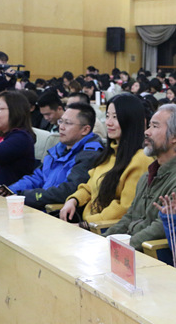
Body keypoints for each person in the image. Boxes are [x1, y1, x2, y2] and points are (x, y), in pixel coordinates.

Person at [94, 104, 176, 250]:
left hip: (153, 255)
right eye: (149, 126)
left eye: (155, 126)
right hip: (130, 249)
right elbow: (129, 217)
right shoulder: (148, 175)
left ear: (174, 137)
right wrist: (103, 242)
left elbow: (160, 230)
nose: (147, 132)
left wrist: (118, 248)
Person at [60, 93, 152, 226]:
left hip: (104, 229)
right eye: (107, 116)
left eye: (115, 117)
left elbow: (124, 208)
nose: (108, 122)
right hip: (87, 222)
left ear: (130, 120)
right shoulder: (109, 154)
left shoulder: (141, 159)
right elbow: (90, 186)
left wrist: (86, 224)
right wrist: (73, 200)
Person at [2, 103, 105, 210]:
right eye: (61, 121)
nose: (61, 127)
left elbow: (68, 190)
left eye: (67, 123)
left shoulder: (90, 154)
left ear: (85, 130)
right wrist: (10, 190)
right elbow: (38, 176)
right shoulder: (60, 148)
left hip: (55, 212)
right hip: (37, 204)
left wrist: (26, 196)